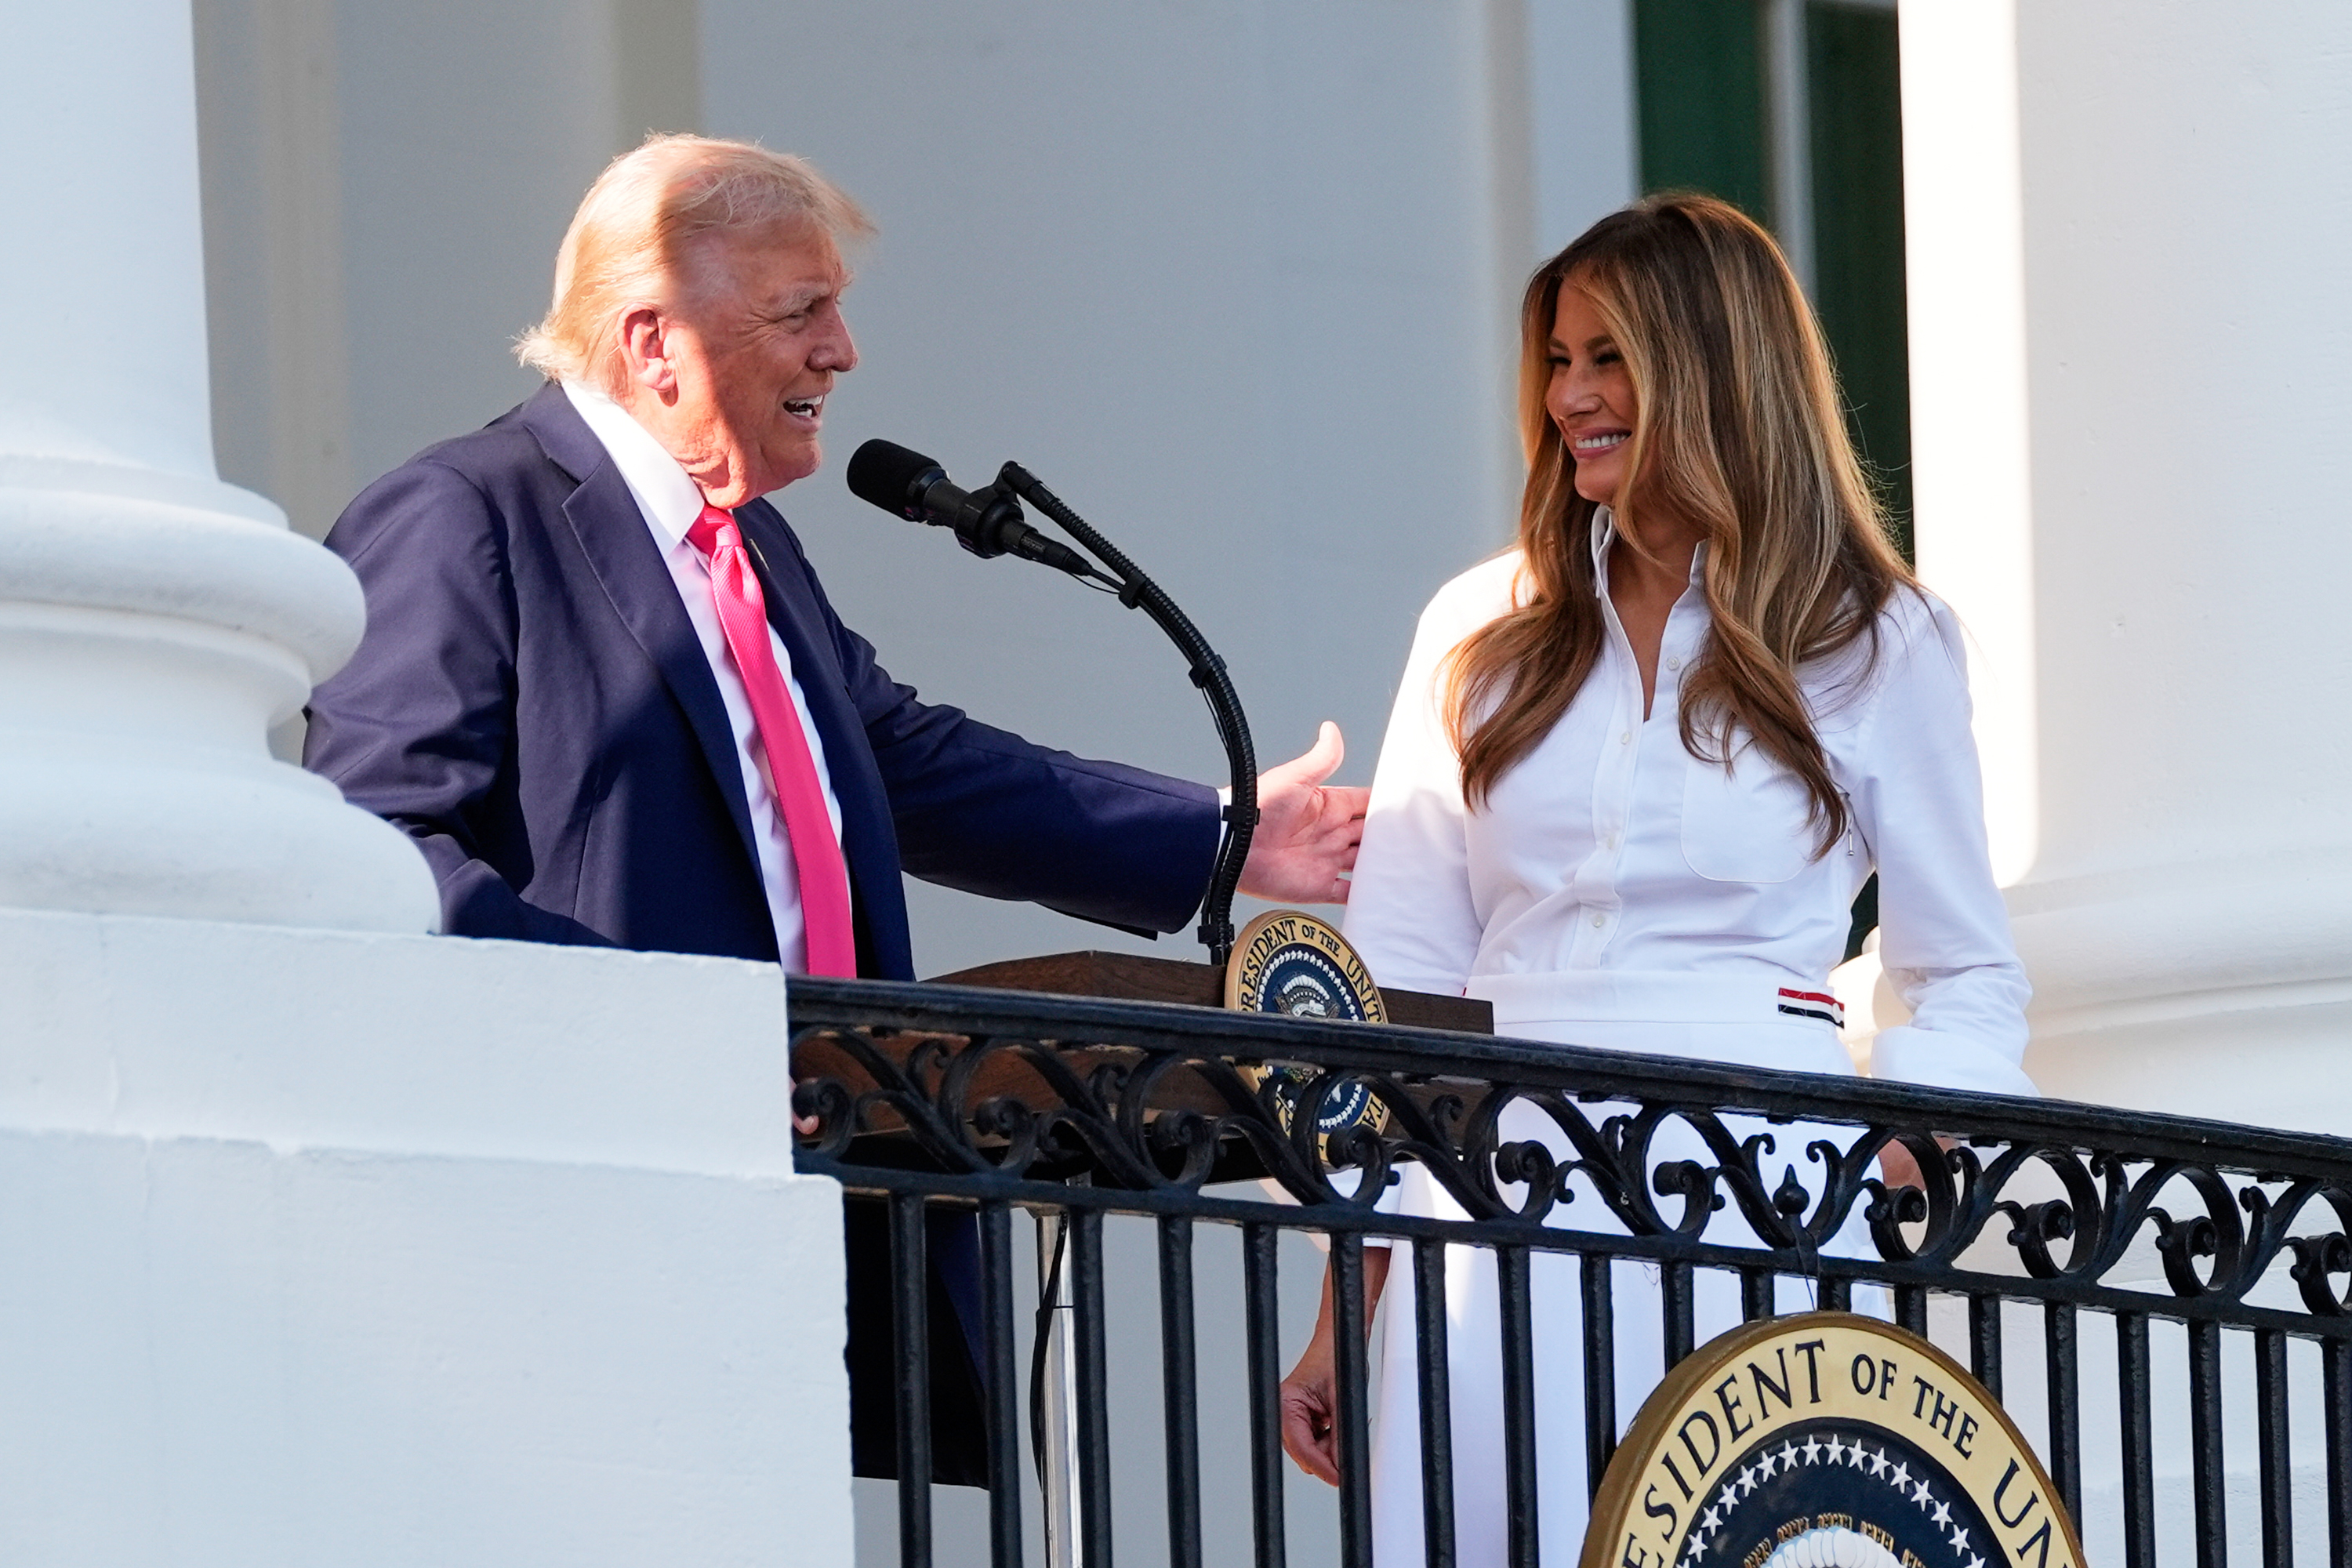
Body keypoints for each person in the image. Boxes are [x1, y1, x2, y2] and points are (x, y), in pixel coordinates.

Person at [303, 134, 1367, 1485]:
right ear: (655, 342)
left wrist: (1221, 835)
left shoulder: (748, 546)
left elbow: (904, 761)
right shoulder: (468, 516)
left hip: (819, 1187)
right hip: (593, 1190)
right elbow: (377, 853)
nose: (844, 351)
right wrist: (670, 1040)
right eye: (801, 313)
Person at [1274, 194, 2034, 1564]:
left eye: (1610, 358)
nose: (1571, 397)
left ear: (1715, 366)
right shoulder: (1480, 628)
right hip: (1486, 1190)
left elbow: (1967, 974)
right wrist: (1346, 1294)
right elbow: (1401, 992)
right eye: (1557, 361)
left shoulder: (1877, 638)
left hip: (1758, 1189)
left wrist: (1869, 1168)